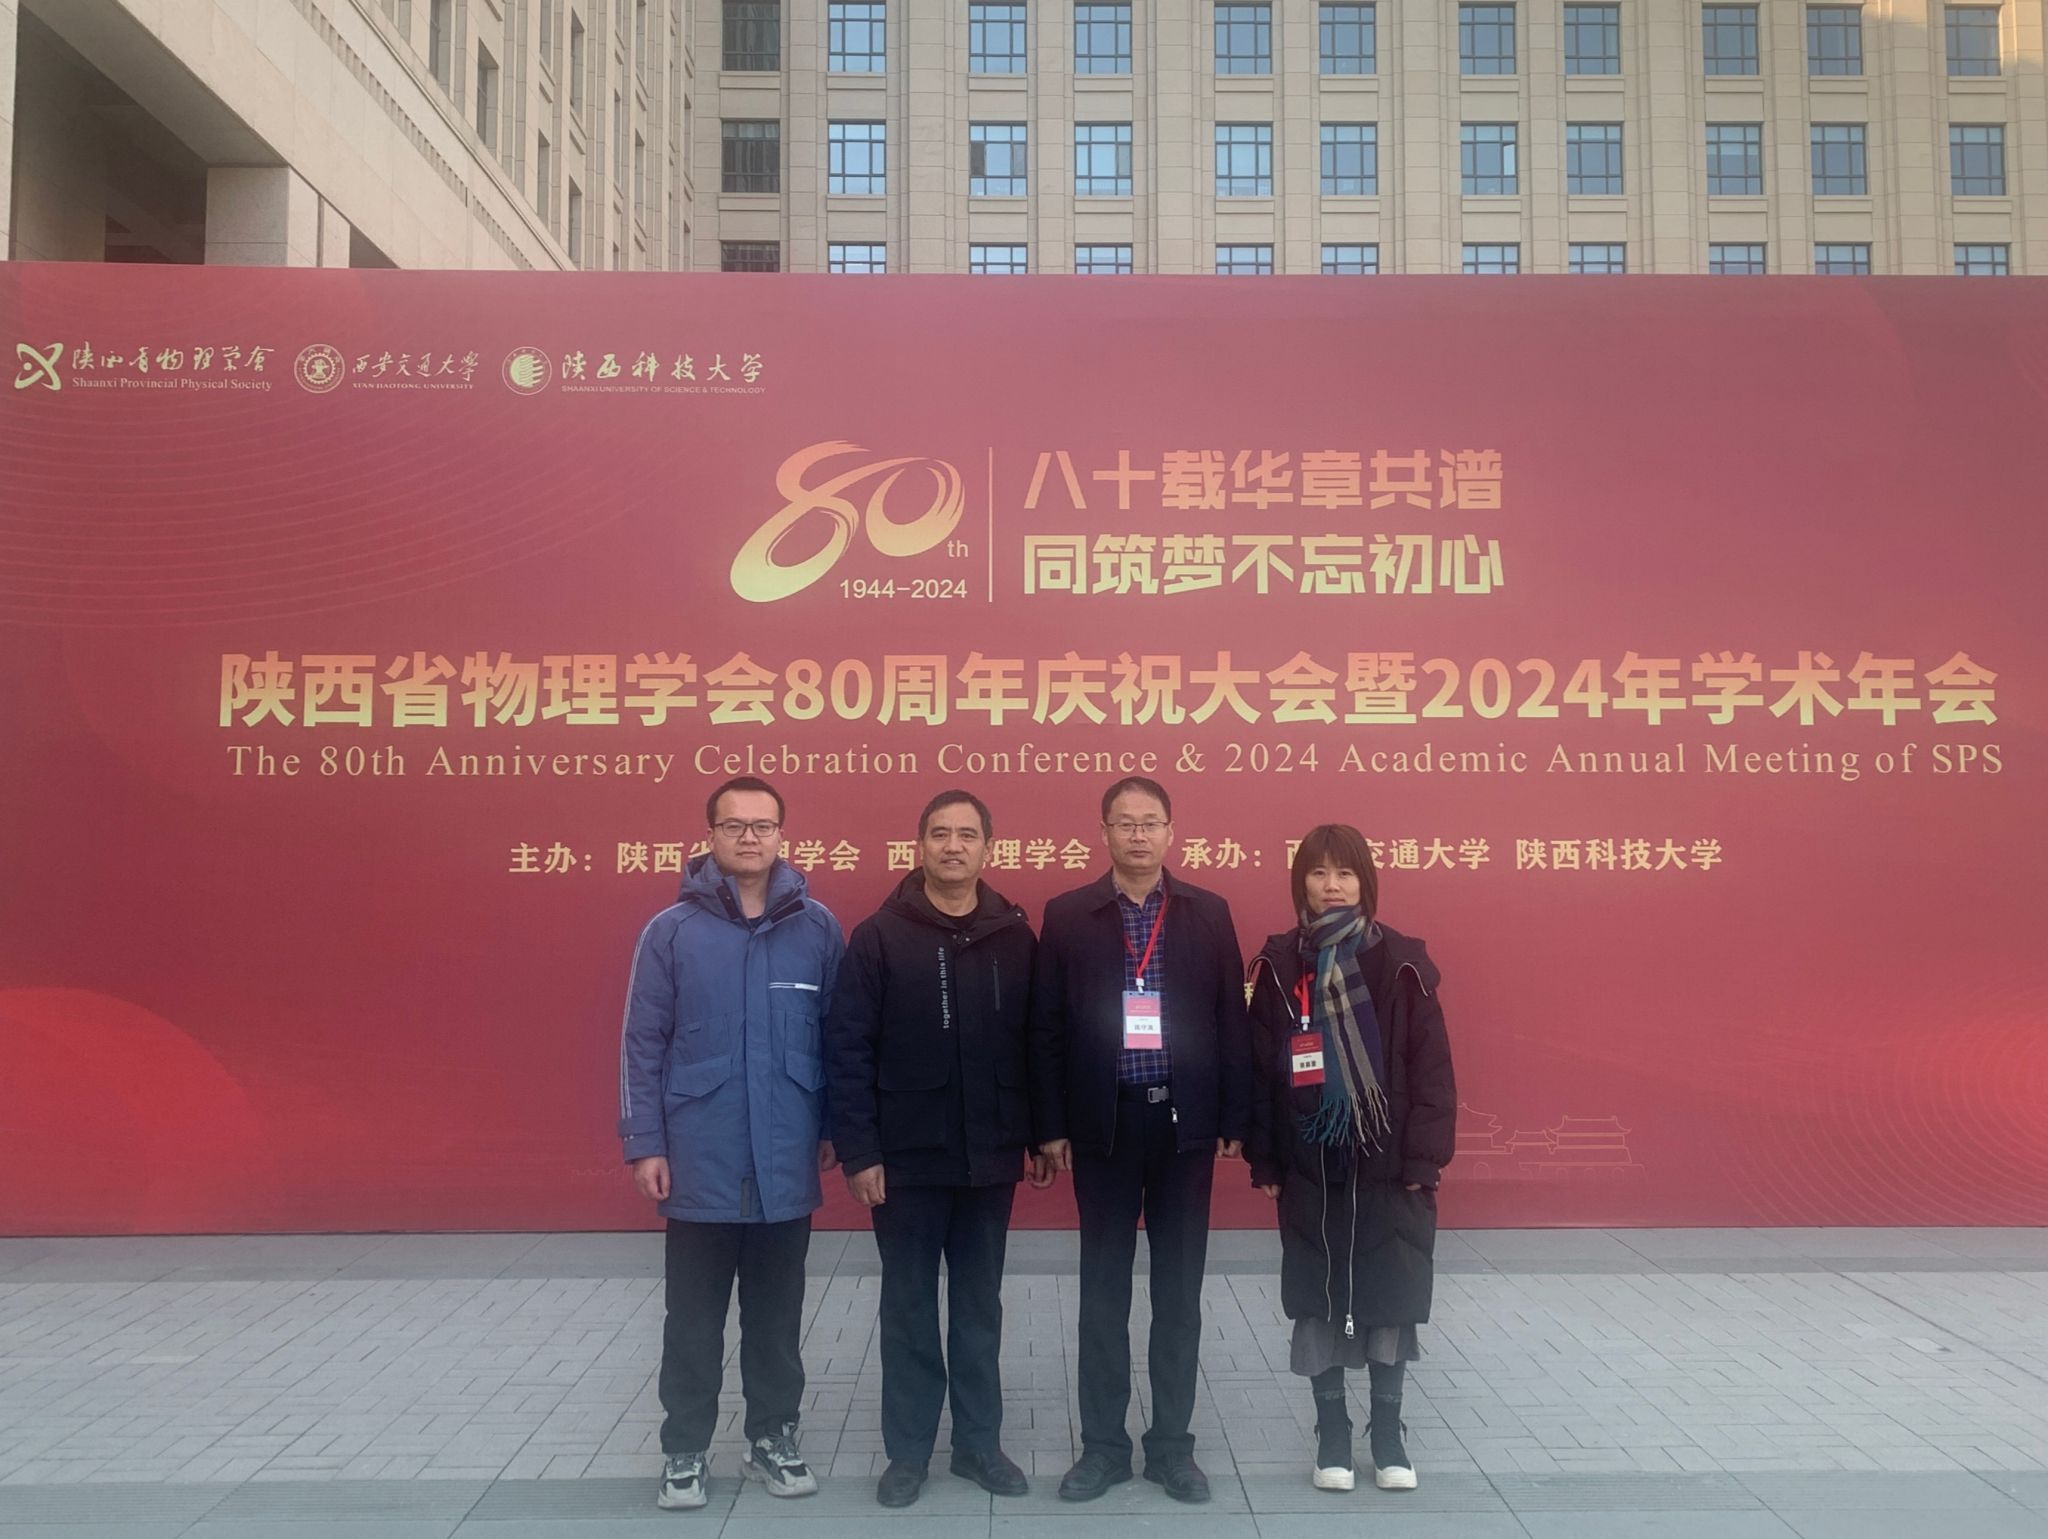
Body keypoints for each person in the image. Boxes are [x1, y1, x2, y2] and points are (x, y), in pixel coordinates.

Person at [616, 776, 845, 1511]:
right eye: (734, 825)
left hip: (784, 1157)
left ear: (782, 834)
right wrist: (645, 1143)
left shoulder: (817, 928)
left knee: (777, 1318)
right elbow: (641, 1044)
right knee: (693, 1320)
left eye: (763, 825)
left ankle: (772, 1437)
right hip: (700, 1158)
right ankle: (684, 1449)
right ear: (710, 835)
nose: (750, 837)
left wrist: (834, 1128)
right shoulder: (670, 932)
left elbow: (839, 1041)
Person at [825, 789, 1052, 1508]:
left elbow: (1038, 1044)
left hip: (990, 1155)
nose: (953, 846)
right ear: (918, 845)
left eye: (967, 835)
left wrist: (1040, 1132)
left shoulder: (1015, 937)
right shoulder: (879, 936)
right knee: (909, 1308)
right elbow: (848, 1049)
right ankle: (909, 1452)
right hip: (906, 1160)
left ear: (989, 848)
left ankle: (979, 1445)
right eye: (940, 834)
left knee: (980, 1307)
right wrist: (860, 1152)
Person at [1029, 776, 1252, 1504]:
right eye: (1124, 822)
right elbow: (1045, 1028)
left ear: (1171, 832)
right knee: (1103, 1293)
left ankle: (1171, 1449)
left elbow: (1229, 1019)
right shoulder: (1069, 914)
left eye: (1150, 822)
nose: (1137, 834)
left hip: (1183, 1128)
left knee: (1178, 1295)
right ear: (1103, 832)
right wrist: (1050, 1125)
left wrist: (1234, 1117)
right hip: (1105, 1127)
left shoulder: (1207, 912)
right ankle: (1103, 1448)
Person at [1245, 823, 1456, 1494]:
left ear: (1366, 882)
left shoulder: (1403, 963)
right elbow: (1259, 1068)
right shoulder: (1280, 965)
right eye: (1318, 872)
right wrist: (1265, 1158)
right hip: (1311, 1160)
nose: (1331, 885)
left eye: (1345, 872)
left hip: (1388, 1164)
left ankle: (1388, 1432)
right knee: (1318, 1293)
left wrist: (1424, 1158)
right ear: (1300, 882)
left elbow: (1432, 1067)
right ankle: (1332, 1430)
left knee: (1390, 1292)